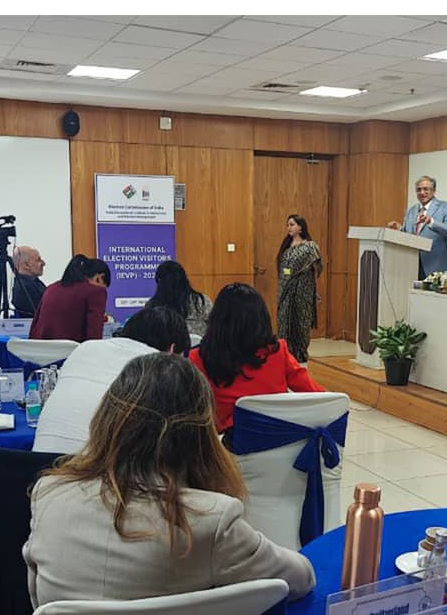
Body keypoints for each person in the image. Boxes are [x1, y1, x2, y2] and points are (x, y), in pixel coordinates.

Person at [24, 352, 315, 606]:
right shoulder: (212, 520)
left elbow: (38, 599)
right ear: (200, 437)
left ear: (107, 420)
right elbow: (301, 578)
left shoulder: (48, 495)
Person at [33, 306, 191, 455]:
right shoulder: (160, 369)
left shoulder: (84, 348)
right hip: (97, 469)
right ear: (172, 350)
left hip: (40, 466)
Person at [188, 283, 325, 435]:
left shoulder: (198, 358)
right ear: (262, 319)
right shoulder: (278, 352)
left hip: (230, 443)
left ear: (216, 320)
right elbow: (318, 395)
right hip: (281, 439)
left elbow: (189, 413)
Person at [387, 175, 447, 278]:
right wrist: (400, 229)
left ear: (433, 191)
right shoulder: (411, 210)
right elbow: (409, 236)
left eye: (425, 189)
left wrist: (431, 222)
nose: (422, 192)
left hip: (435, 267)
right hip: (412, 265)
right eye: (418, 190)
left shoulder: (445, 207)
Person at [275, 214, 322, 363]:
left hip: (303, 292)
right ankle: (285, 355)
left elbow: (317, 269)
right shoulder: (286, 248)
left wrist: (313, 290)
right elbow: (284, 270)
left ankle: (300, 354)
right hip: (286, 290)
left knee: (302, 323)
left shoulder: (310, 247)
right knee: (284, 322)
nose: (289, 228)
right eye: (288, 225)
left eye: (292, 224)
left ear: (300, 227)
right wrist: (289, 275)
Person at [30, 254, 110, 341]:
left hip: (40, 346)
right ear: (100, 278)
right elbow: (94, 336)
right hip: (72, 348)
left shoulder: (51, 288)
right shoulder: (96, 292)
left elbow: (36, 324)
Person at [144, 260, 212, 337]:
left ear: (159, 282)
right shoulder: (202, 301)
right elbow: (214, 326)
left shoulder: (152, 306)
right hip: (199, 344)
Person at [11, 245, 48, 318]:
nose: (44, 263)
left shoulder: (34, 282)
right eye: (38, 260)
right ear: (26, 265)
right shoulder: (23, 289)